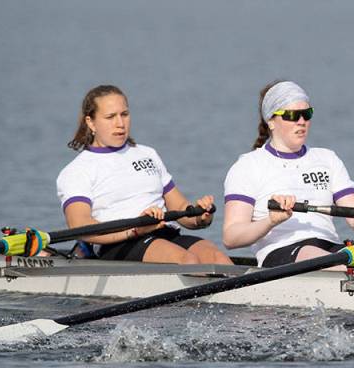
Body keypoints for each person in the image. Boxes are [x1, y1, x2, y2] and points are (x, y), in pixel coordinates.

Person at [222, 80, 354, 280]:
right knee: (343, 267)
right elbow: (231, 237)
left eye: (307, 114)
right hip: (281, 254)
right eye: (292, 115)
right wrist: (271, 220)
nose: (301, 121)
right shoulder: (248, 166)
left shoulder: (327, 159)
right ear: (271, 120)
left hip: (330, 248)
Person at [56, 85, 232, 265]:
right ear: (91, 122)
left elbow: (178, 206)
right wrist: (134, 231)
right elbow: (79, 225)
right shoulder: (77, 170)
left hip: (165, 233)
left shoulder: (148, 154)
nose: (120, 123)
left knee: (219, 260)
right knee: (188, 261)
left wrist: (199, 216)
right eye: (110, 117)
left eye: (124, 114)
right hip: (118, 244)